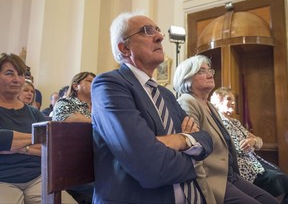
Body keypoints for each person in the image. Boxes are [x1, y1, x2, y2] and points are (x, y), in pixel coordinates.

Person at [91, 11, 213, 204]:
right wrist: (193, 159)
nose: (159, 36)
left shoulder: (166, 94)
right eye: (146, 31)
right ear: (124, 48)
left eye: (157, 30)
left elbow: (206, 140)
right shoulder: (109, 85)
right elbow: (150, 168)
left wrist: (176, 140)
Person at [173, 54, 280, 204]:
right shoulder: (187, 101)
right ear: (187, 78)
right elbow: (194, 152)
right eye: (202, 71)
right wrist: (206, 194)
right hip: (213, 179)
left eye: (209, 70)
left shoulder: (210, 106)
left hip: (230, 175)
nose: (209, 74)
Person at [0, 53, 76, 204]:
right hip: (3, 180)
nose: (17, 79)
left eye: (21, 75)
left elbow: (52, 145)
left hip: (38, 178)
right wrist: (37, 138)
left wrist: (18, 146)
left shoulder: (33, 113)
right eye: (9, 73)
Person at [210, 87, 288, 204]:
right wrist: (252, 142)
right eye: (229, 99)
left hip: (255, 162)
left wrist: (254, 141)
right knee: (281, 179)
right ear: (218, 101)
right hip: (243, 168)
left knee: (282, 177)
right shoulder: (217, 122)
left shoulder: (235, 122)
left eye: (234, 100)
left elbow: (258, 141)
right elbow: (237, 148)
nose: (233, 102)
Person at [53, 71, 96, 204]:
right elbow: (68, 119)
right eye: (89, 81)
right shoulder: (64, 102)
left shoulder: (99, 105)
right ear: (76, 86)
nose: (94, 83)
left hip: (97, 161)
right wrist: (99, 121)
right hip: (73, 166)